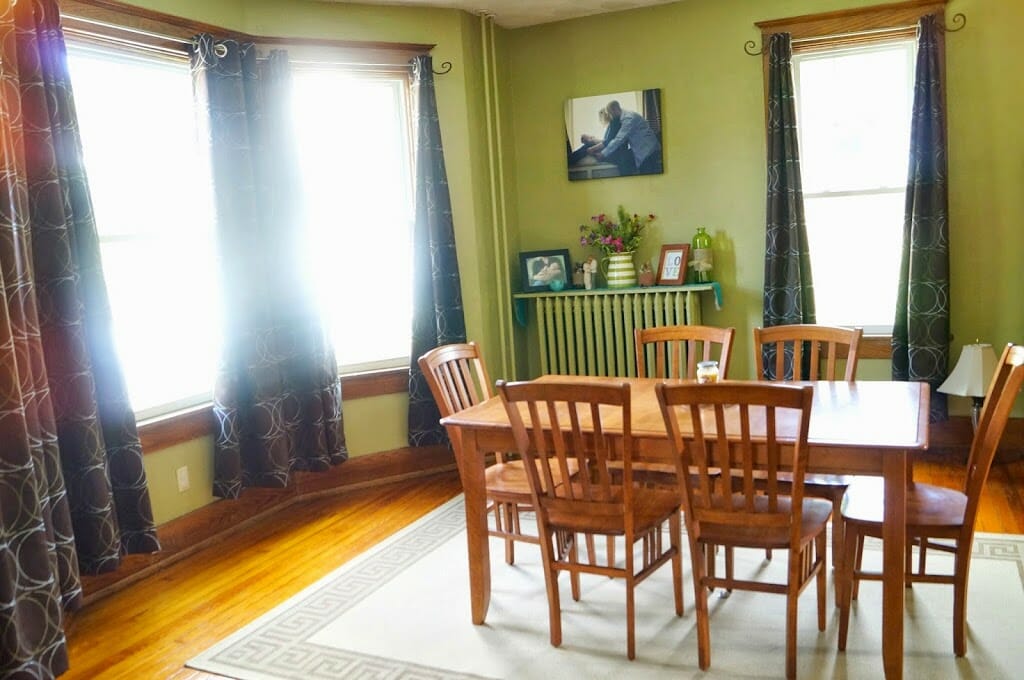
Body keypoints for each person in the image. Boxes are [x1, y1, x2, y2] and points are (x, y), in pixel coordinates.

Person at [588, 100, 663, 175]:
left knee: (648, 176)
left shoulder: (628, 119)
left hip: (648, 151)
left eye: (610, 113)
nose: (611, 116)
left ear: (615, 109)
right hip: (645, 149)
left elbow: (619, 139)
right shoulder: (626, 116)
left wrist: (603, 154)